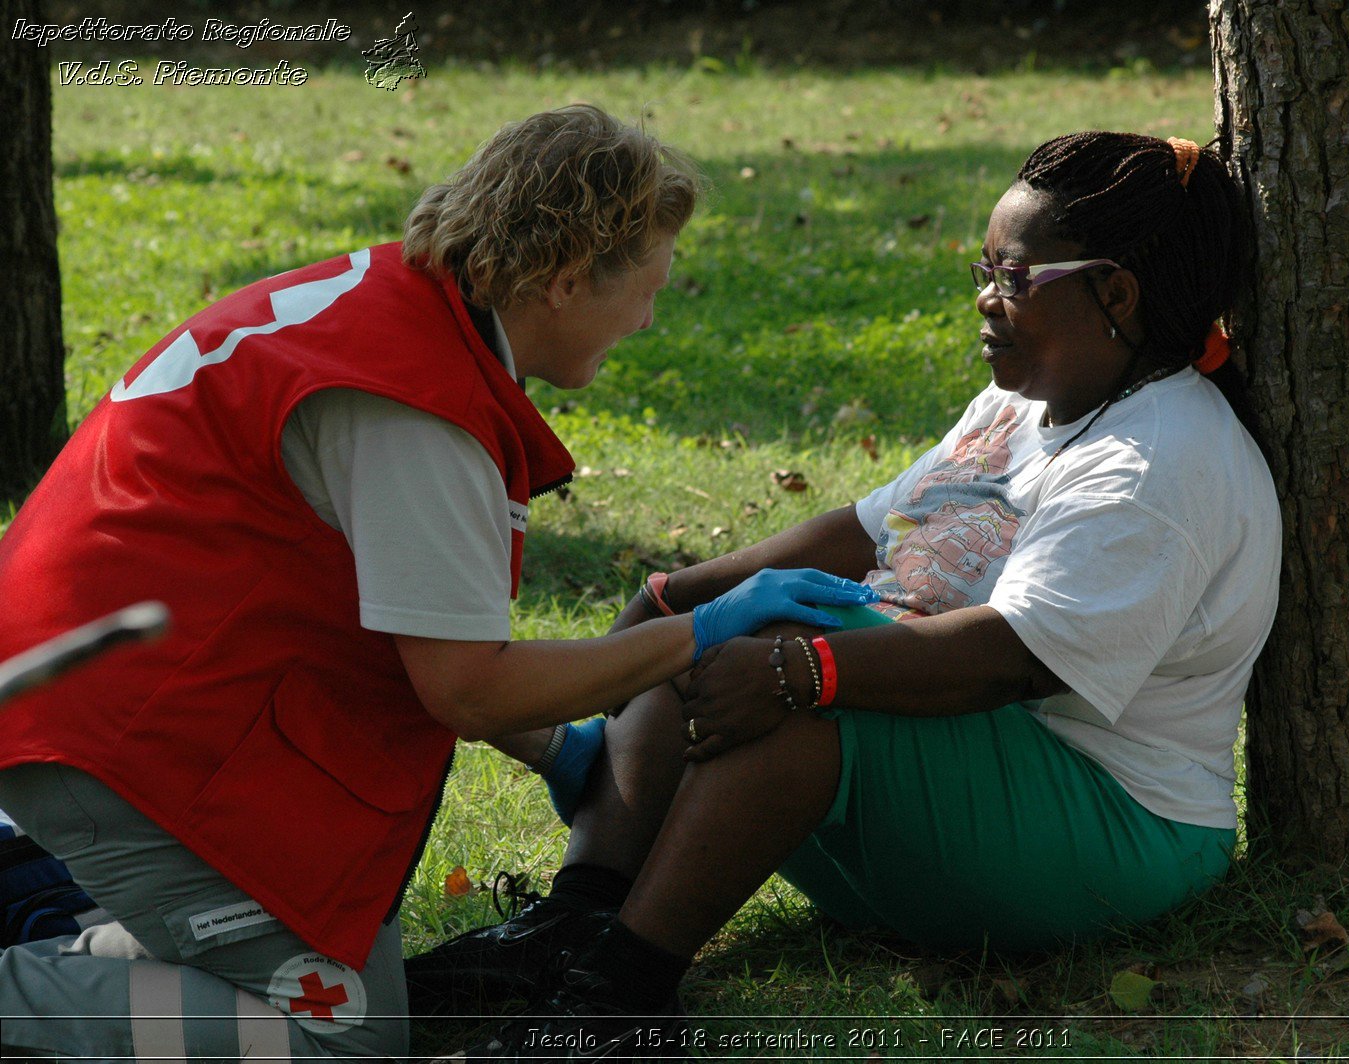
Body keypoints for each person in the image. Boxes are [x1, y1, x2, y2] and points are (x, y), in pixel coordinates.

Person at [0, 104, 876, 1061]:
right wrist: (701, 633)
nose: (651, 318)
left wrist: (558, 749)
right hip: (119, 735)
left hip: (98, 684)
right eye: (649, 290)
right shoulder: (416, 407)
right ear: (568, 279)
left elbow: (392, 611)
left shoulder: (393, 307)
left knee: (314, 993)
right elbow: (462, 684)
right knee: (341, 1041)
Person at [406, 131, 1284, 1061]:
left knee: (787, 649)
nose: (985, 298)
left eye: (1015, 278)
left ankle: (617, 1003)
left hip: (1114, 832)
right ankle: (572, 929)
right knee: (736, 617)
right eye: (983, 267)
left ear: (1117, 293)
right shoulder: (1028, 399)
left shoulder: (1156, 463)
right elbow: (863, 528)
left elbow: (1010, 662)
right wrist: (677, 595)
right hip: (967, 799)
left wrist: (802, 666)